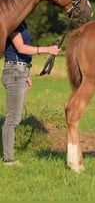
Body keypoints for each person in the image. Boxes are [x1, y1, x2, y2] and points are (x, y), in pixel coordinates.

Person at [2, 21, 61, 166]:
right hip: (14, 72)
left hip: (20, 71)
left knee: (15, 117)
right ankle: (8, 159)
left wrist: (26, 74)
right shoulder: (14, 23)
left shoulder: (22, 23)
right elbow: (20, 48)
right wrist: (47, 49)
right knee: (12, 118)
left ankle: (8, 156)